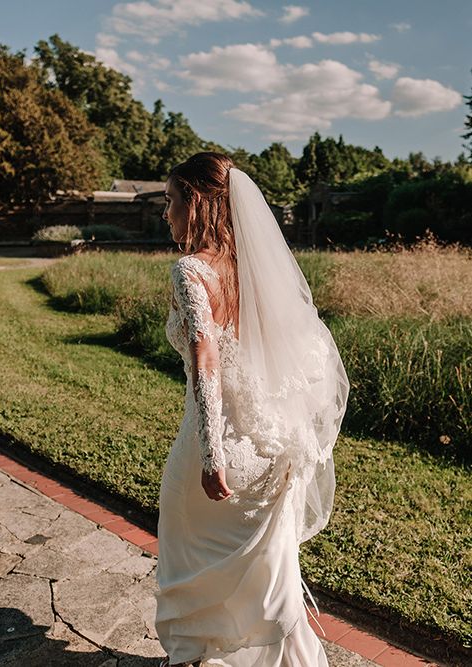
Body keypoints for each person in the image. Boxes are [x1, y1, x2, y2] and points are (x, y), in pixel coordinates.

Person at [155, 153, 348, 666]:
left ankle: (194, 653)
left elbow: (205, 362)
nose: (165, 213)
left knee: (182, 544)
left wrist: (211, 453)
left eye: (171, 200)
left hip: (222, 445)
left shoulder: (190, 271)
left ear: (195, 203)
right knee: (271, 572)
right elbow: (305, 354)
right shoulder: (256, 268)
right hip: (273, 446)